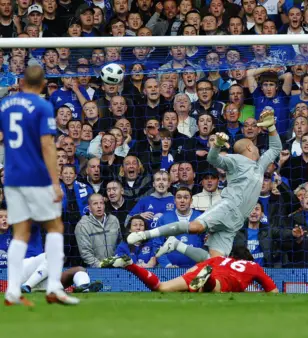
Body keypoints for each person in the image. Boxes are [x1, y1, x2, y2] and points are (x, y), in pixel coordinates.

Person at [127, 110, 282, 260]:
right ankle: (146, 234)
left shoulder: (259, 167)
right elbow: (213, 159)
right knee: (196, 228)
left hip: (236, 221)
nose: (258, 148)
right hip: (228, 207)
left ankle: (176, 245)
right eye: (255, 147)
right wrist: (217, 145)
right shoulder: (237, 160)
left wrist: (271, 127)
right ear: (249, 147)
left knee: (215, 262)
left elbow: (276, 148)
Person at [0, 65, 78, 306]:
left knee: (20, 232)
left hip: (12, 179)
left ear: (21, 82)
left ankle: (12, 289)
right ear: (44, 84)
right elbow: (47, 146)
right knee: (54, 227)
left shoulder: (5, 105)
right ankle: (54, 286)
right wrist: (55, 182)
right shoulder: (43, 106)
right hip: (35, 177)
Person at [100, 246, 278, 293]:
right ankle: (207, 282)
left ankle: (129, 265)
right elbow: (274, 291)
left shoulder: (219, 258)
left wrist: (186, 285)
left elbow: (191, 270)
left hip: (203, 268)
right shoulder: (253, 266)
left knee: (161, 287)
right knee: (215, 288)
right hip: (224, 279)